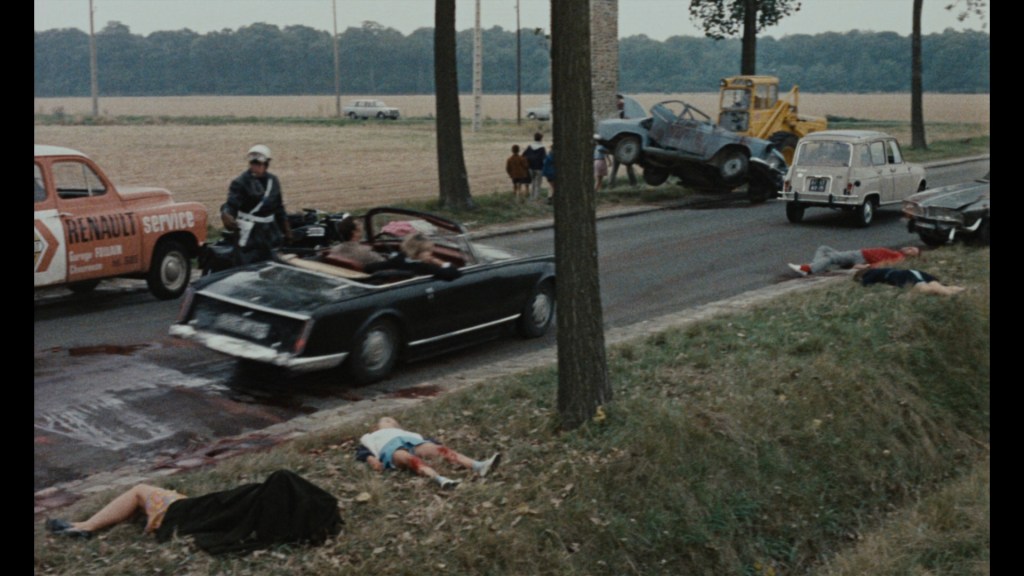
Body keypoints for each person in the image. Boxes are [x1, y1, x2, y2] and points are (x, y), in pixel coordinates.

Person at [44, 470, 342, 555]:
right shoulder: (271, 516)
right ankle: (101, 521)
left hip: (184, 511)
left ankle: (86, 525)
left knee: (139, 490)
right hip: (197, 506)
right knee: (148, 499)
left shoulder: (259, 504)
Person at [356, 416, 501, 489]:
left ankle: (478, 466)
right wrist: (371, 459)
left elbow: (429, 442)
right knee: (409, 459)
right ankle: (441, 480)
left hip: (412, 442)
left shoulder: (407, 433)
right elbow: (363, 451)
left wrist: (436, 446)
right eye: (386, 420)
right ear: (375, 427)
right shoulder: (370, 437)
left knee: (439, 450)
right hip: (390, 449)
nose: (391, 422)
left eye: (393, 421)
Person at [220, 144, 293, 266]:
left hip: (270, 232)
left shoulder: (273, 181)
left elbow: (279, 208)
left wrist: (286, 229)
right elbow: (231, 204)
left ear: (266, 164)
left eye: (259, 164)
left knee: (272, 265)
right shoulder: (240, 182)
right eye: (253, 163)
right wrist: (226, 214)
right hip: (250, 234)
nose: (255, 167)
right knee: (247, 266)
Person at [364, 233, 462, 280]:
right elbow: (455, 274)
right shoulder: (425, 267)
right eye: (427, 250)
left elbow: (370, 268)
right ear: (418, 252)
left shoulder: (397, 260)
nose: (431, 253)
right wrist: (439, 262)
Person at [789, 245, 920, 276]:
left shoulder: (899, 258)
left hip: (860, 257)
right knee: (823, 249)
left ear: (911, 257)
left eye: (911, 251)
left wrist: (866, 267)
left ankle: (808, 269)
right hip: (860, 255)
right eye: (910, 247)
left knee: (830, 257)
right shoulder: (898, 254)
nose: (908, 248)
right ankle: (818, 267)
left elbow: (883, 265)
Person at [854, 267, 966, 296]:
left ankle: (955, 294)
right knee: (941, 288)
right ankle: (963, 290)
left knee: (929, 291)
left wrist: (859, 281)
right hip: (913, 272)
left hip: (904, 276)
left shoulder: (870, 273)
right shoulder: (879, 270)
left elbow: (864, 284)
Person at [521, 132, 547, 201]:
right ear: (541, 138)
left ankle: (532, 197)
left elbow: (523, 156)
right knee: (537, 184)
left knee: (533, 183)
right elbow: (544, 159)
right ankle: (536, 198)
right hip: (539, 168)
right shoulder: (542, 148)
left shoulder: (529, 147)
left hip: (530, 168)